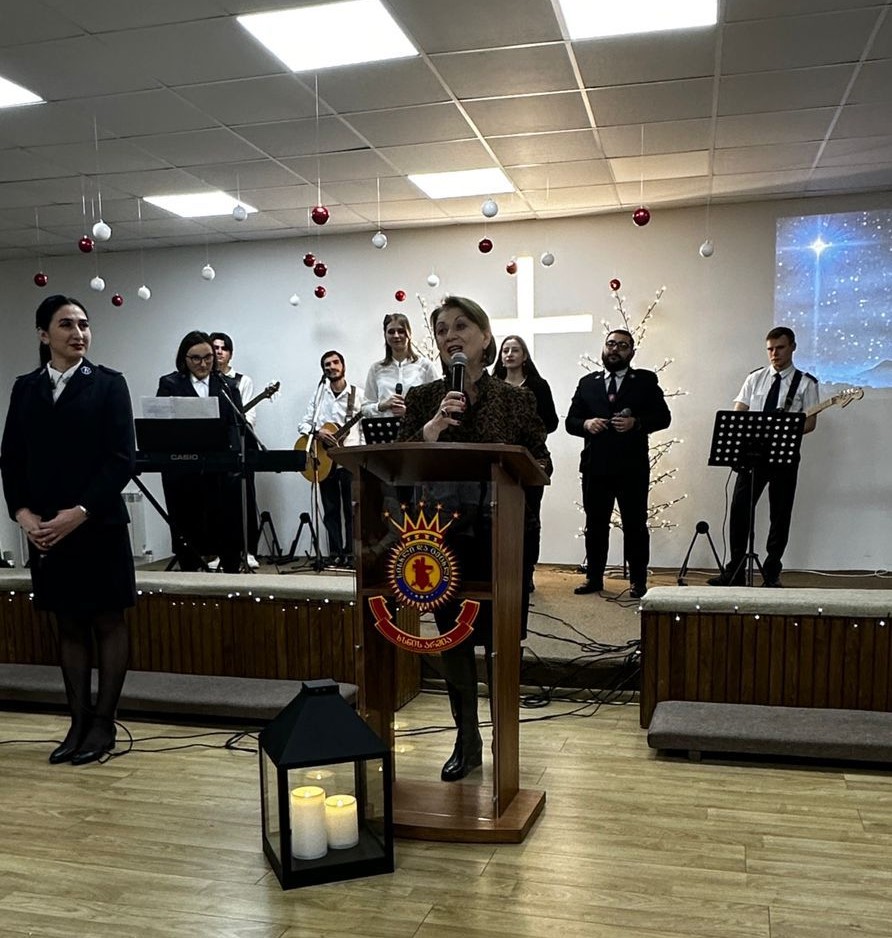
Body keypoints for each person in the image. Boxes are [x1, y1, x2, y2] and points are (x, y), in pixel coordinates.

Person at [399, 296, 551, 783]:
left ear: (485, 337)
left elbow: (542, 462)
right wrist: (431, 429)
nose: (450, 336)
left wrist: (520, 467)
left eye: (461, 326)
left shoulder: (516, 399)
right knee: (454, 639)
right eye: (442, 329)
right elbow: (398, 465)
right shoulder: (424, 398)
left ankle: (506, 737)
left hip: (503, 536)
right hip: (442, 538)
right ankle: (466, 738)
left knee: (502, 640)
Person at [1, 294, 135, 765]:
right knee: (69, 623)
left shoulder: (108, 384)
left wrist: (80, 511)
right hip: (46, 530)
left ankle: (104, 724)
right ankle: (77, 722)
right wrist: (22, 513)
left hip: (97, 524)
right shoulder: (25, 388)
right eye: (66, 325)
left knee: (107, 621)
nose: (78, 333)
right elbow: (12, 458)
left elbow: (122, 460)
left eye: (83, 324)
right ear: (44, 334)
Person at [708, 326, 819, 587]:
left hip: (783, 455)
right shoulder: (755, 378)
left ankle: (771, 572)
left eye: (780, 348)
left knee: (780, 514)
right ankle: (735, 569)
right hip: (751, 456)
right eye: (770, 349)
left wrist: (785, 429)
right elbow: (738, 413)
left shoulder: (806, 383)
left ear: (792, 347)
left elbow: (810, 423)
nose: (774, 354)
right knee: (740, 510)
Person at [566, 329, 671, 599]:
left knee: (635, 525)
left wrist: (637, 423)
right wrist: (586, 424)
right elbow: (570, 421)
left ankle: (638, 581)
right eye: (610, 344)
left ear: (632, 352)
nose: (615, 349)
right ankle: (594, 578)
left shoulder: (645, 380)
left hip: (631, 467)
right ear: (603, 348)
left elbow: (663, 417)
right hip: (595, 466)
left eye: (622, 345)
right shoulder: (587, 383)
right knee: (595, 525)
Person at [156, 330, 245, 573]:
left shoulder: (227, 386)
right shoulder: (170, 384)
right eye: (195, 358)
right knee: (188, 529)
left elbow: (237, 426)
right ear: (184, 359)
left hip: (220, 471)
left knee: (226, 529)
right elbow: (161, 427)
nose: (203, 364)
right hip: (183, 471)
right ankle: (190, 576)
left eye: (208, 357)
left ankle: (232, 577)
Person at [493, 334, 559, 592]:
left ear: (524, 356)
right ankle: (500, 569)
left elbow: (551, 422)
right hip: (498, 459)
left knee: (529, 519)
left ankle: (526, 571)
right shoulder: (492, 384)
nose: (509, 354)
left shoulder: (538, 386)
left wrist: (528, 431)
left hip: (530, 458)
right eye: (505, 350)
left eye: (515, 350)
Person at [297, 350, 364, 567]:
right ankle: (335, 552)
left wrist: (362, 455)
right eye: (327, 364)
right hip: (325, 461)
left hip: (349, 458)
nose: (331, 367)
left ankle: (352, 554)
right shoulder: (319, 396)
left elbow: (364, 428)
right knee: (330, 509)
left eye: (335, 362)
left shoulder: (358, 395)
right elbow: (303, 424)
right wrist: (318, 432)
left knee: (352, 510)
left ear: (343, 366)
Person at [210, 331, 259, 566]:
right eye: (215, 348)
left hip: (239, 444)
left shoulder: (242, 381)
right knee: (216, 501)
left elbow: (250, 416)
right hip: (214, 446)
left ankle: (248, 550)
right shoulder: (206, 381)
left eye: (224, 348)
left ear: (230, 353)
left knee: (245, 497)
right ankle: (218, 553)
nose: (219, 352)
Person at [361, 312, 438, 421]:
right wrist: (382, 405)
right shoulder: (376, 369)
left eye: (401, 331)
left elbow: (438, 404)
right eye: (391, 332)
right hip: (385, 429)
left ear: (409, 333)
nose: (396, 336)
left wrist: (410, 411)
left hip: (418, 429)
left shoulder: (425, 366)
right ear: (385, 335)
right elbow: (365, 408)